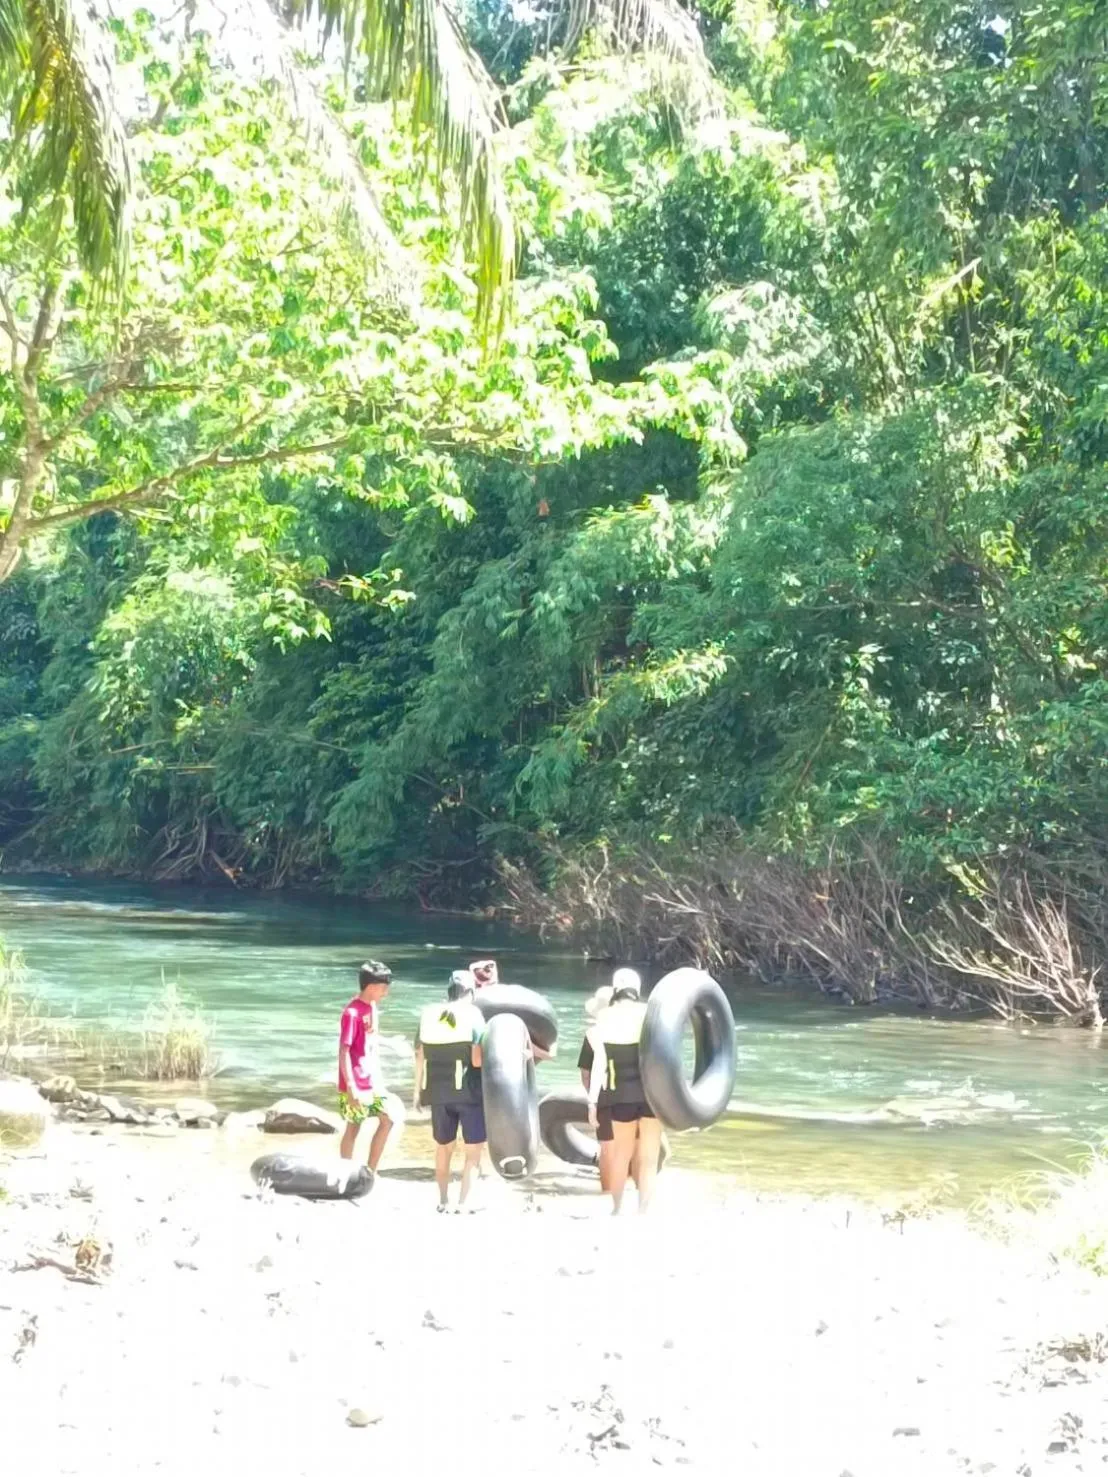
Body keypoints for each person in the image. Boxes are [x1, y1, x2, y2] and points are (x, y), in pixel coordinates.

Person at [584, 968, 663, 1214]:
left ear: (615, 989)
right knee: (649, 1157)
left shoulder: (604, 1017)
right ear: (637, 990)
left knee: (621, 1155)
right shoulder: (649, 1013)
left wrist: (592, 1102)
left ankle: (617, 1209)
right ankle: (643, 1212)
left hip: (620, 1095)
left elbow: (599, 1064)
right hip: (651, 1094)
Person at [413, 970, 487, 1212]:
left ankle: (443, 1201)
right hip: (469, 1093)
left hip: (437, 1092)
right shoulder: (473, 1014)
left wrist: (417, 1092)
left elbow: (420, 1054)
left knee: (443, 1147)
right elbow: (477, 1060)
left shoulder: (428, 1014)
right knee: (473, 1152)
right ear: (471, 992)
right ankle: (463, 1204)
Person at [337, 960, 395, 1175]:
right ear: (371, 986)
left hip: (371, 1080)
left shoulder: (371, 1007)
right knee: (354, 1127)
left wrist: (391, 1044)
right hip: (355, 1082)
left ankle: (370, 1172)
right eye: (383, 988)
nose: (386, 993)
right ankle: (345, 1172)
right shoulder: (352, 1013)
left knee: (387, 1121)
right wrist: (350, 1086)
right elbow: (344, 1051)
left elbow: (370, 1040)